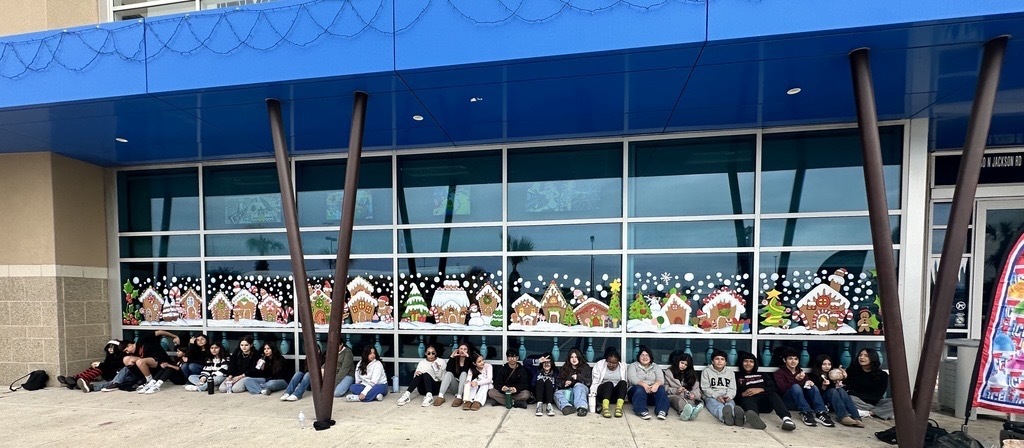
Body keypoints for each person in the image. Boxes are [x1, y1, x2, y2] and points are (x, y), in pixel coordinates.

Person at [734, 351, 795, 431]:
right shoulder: (737, 376)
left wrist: (761, 389)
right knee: (748, 399)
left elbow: (773, 388)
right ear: (741, 362)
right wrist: (742, 394)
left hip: (764, 403)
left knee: (773, 394)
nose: (748, 364)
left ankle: (786, 419)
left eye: (751, 361)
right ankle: (754, 418)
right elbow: (733, 394)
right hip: (749, 401)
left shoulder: (762, 374)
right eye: (745, 361)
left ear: (755, 363)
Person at [772, 349, 834, 427]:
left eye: (796, 359)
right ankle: (807, 413)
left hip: (802, 401)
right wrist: (796, 380)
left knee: (812, 386)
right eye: (790, 359)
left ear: (798, 361)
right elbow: (782, 389)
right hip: (788, 402)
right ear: (785, 360)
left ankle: (821, 412)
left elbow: (806, 387)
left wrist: (808, 382)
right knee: (795, 387)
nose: (793, 361)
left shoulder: (801, 371)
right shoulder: (779, 373)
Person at [810, 354, 864, 427]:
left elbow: (842, 389)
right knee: (832, 391)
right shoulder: (814, 375)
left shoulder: (832, 374)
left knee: (840, 390)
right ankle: (842, 416)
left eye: (829, 364)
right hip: (821, 402)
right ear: (819, 364)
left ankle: (856, 417)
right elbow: (816, 394)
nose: (827, 366)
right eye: (824, 364)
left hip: (833, 401)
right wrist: (824, 386)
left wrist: (842, 380)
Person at [845, 348, 894, 420]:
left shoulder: (882, 375)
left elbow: (878, 394)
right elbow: (849, 390)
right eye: (860, 355)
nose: (862, 357)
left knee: (895, 402)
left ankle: (869, 413)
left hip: (874, 401)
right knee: (849, 398)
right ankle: (880, 412)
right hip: (857, 401)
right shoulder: (851, 371)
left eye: (866, 356)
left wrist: (868, 401)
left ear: (873, 358)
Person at [627, 345, 670, 420]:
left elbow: (660, 379)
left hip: (652, 392)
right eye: (642, 355)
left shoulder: (655, 366)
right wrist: (644, 385)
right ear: (638, 357)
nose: (645, 357)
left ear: (650, 357)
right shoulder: (633, 366)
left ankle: (662, 411)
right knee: (640, 389)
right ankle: (641, 411)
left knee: (661, 389)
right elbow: (632, 379)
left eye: (647, 355)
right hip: (636, 393)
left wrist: (655, 385)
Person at [701, 349, 742, 426]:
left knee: (730, 406)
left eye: (722, 359)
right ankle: (725, 418)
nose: (719, 361)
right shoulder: (706, 371)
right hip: (711, 396)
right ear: (712, 361)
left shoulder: (730, 373)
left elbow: (732, 388)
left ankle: (738, 419)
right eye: (717, 359)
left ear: (725, 362)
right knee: (717, 407)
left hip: (726, 396)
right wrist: (717, 396)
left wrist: (728, 396)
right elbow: (705, 388)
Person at [664, 350, 703, 421]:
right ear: (678, 361)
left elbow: (697, 389)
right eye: (682, 363)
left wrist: (693, 394)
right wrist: (676, 390)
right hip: (673, 396)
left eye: (686, 365)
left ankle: (692, 413)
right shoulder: (669, 372)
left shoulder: (692, 374)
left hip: (687, 397)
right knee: (678, 400)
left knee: (690, 402)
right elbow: (665, 387)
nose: (683, 366)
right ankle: (683, 412)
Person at [591, 346, 628, 418]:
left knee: (623, 383)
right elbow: (595, 382)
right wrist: (593, 396)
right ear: (606, 360)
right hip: (603, 394)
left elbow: (626, 381)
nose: (611, 365)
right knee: (609, 383)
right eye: (609, 362)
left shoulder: (623, 366)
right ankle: (605, 408)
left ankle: (619, 408)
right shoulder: (599, 365)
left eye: (614, 363)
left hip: (615, 395)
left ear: (618, 362)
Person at [555, 348, 591, 416]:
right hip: (569, 393)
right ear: (569, 358)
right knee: (557, 393)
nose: (574, 359)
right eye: (572, 357)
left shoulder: (585, 367)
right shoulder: (565, 368)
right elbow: (558, 381)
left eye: (576, 357)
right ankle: (567, 407)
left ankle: (582, 408)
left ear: (579, 357)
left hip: (581, 393)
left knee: (578, 385)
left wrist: (578, 377)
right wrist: (564, 383)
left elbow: (589, 382)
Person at [439, 341, 476, 407]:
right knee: (448, 373)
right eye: (461, 349)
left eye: (465, 349)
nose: (462, 351)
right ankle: (440, 396)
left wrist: (467, 357)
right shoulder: (455, 359)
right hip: (456, 387)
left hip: (466, 388)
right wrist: (452, 357)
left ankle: (459, 397)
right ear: (458, 350)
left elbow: (467, 370)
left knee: (463, 373)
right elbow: (448, 369)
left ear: (468, 351)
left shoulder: (470, 360)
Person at [530, 352, 558, 416]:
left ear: (551, 363)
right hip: (538, 395)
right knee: (540, 381)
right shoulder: (537, 371)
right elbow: (525, 362)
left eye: (548, 362)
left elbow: (557, 385)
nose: (546, 364)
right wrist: (538, 360)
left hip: (550, 396)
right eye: (544, 362)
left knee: (548, 381)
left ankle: (549, 406)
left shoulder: (555, 372)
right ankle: (539, 406)